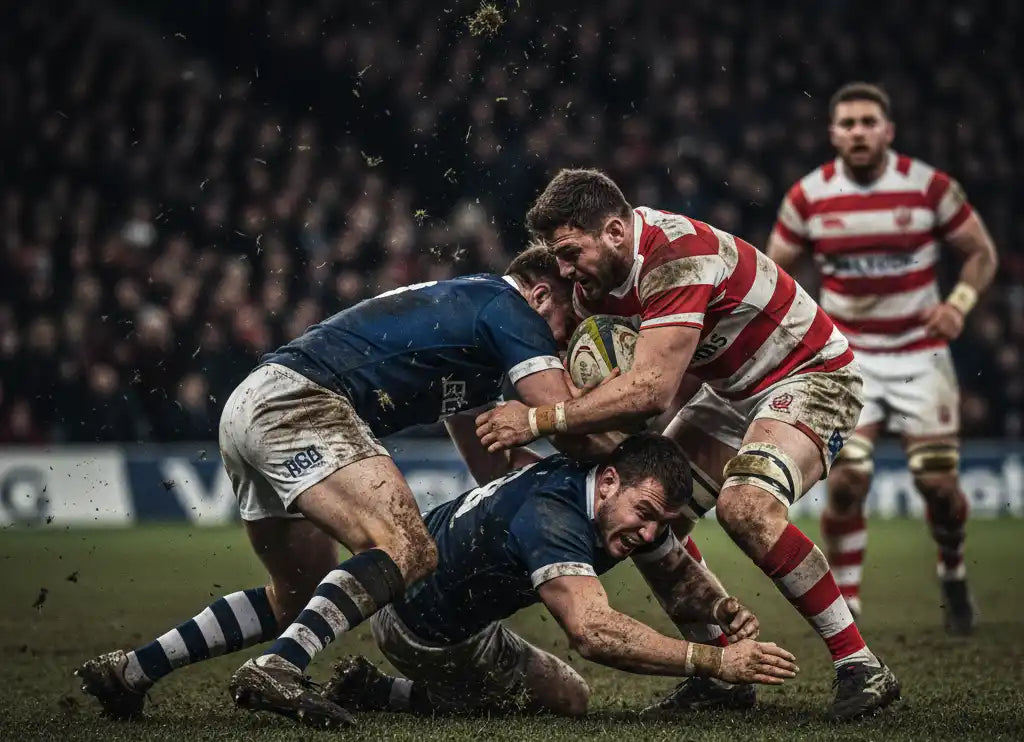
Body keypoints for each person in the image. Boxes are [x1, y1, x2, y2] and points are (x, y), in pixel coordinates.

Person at [75, 246, 618, 728]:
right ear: (542, 293)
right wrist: (627, 427)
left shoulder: (475, 338)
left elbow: (492, 465)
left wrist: (562, 496)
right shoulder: (510, 307)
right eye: (569, 323)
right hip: (304, 403)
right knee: (407, 546)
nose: (567, 341)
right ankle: (280, 667)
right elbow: (564, 415)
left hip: (255, 403)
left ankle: (130, 671)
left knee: (298, 598)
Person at [476, 168, 900, 721]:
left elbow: (651, 393)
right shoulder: (590, 282)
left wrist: (537, 419)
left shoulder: (677, 255)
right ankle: (720, 671)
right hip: (732, 391)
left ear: (614, 231)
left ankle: (860, 665)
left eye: (569, 251)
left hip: (810, 375)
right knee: (649, 508)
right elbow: (592, 375)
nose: (563, 268)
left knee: (745, 508)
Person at [323, 433, 798, 717]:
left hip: (430, 589)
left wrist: (721, 607)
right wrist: (716, 662)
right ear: (609, 481)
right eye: (646, 513)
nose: (650, 531)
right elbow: (593, 633)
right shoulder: (554, 517)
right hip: (420, 628)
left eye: (662, 521)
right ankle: (387, 692)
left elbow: (675, 574)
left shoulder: (613, 500)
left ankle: (398, 688)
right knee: (569, 697)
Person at [765, 82, 998, 633]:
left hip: (921, 355)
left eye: (869, 122)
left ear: (888, 130)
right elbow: (776, 273)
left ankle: (953, 568)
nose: (858, 132)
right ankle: (850, 604)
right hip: (851, 359)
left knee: (939, 490)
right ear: (833, 134)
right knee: (846, 481)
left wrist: (959, 305)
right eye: (847, 124)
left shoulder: (928, 187)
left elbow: (981, 253)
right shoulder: (808, 197)